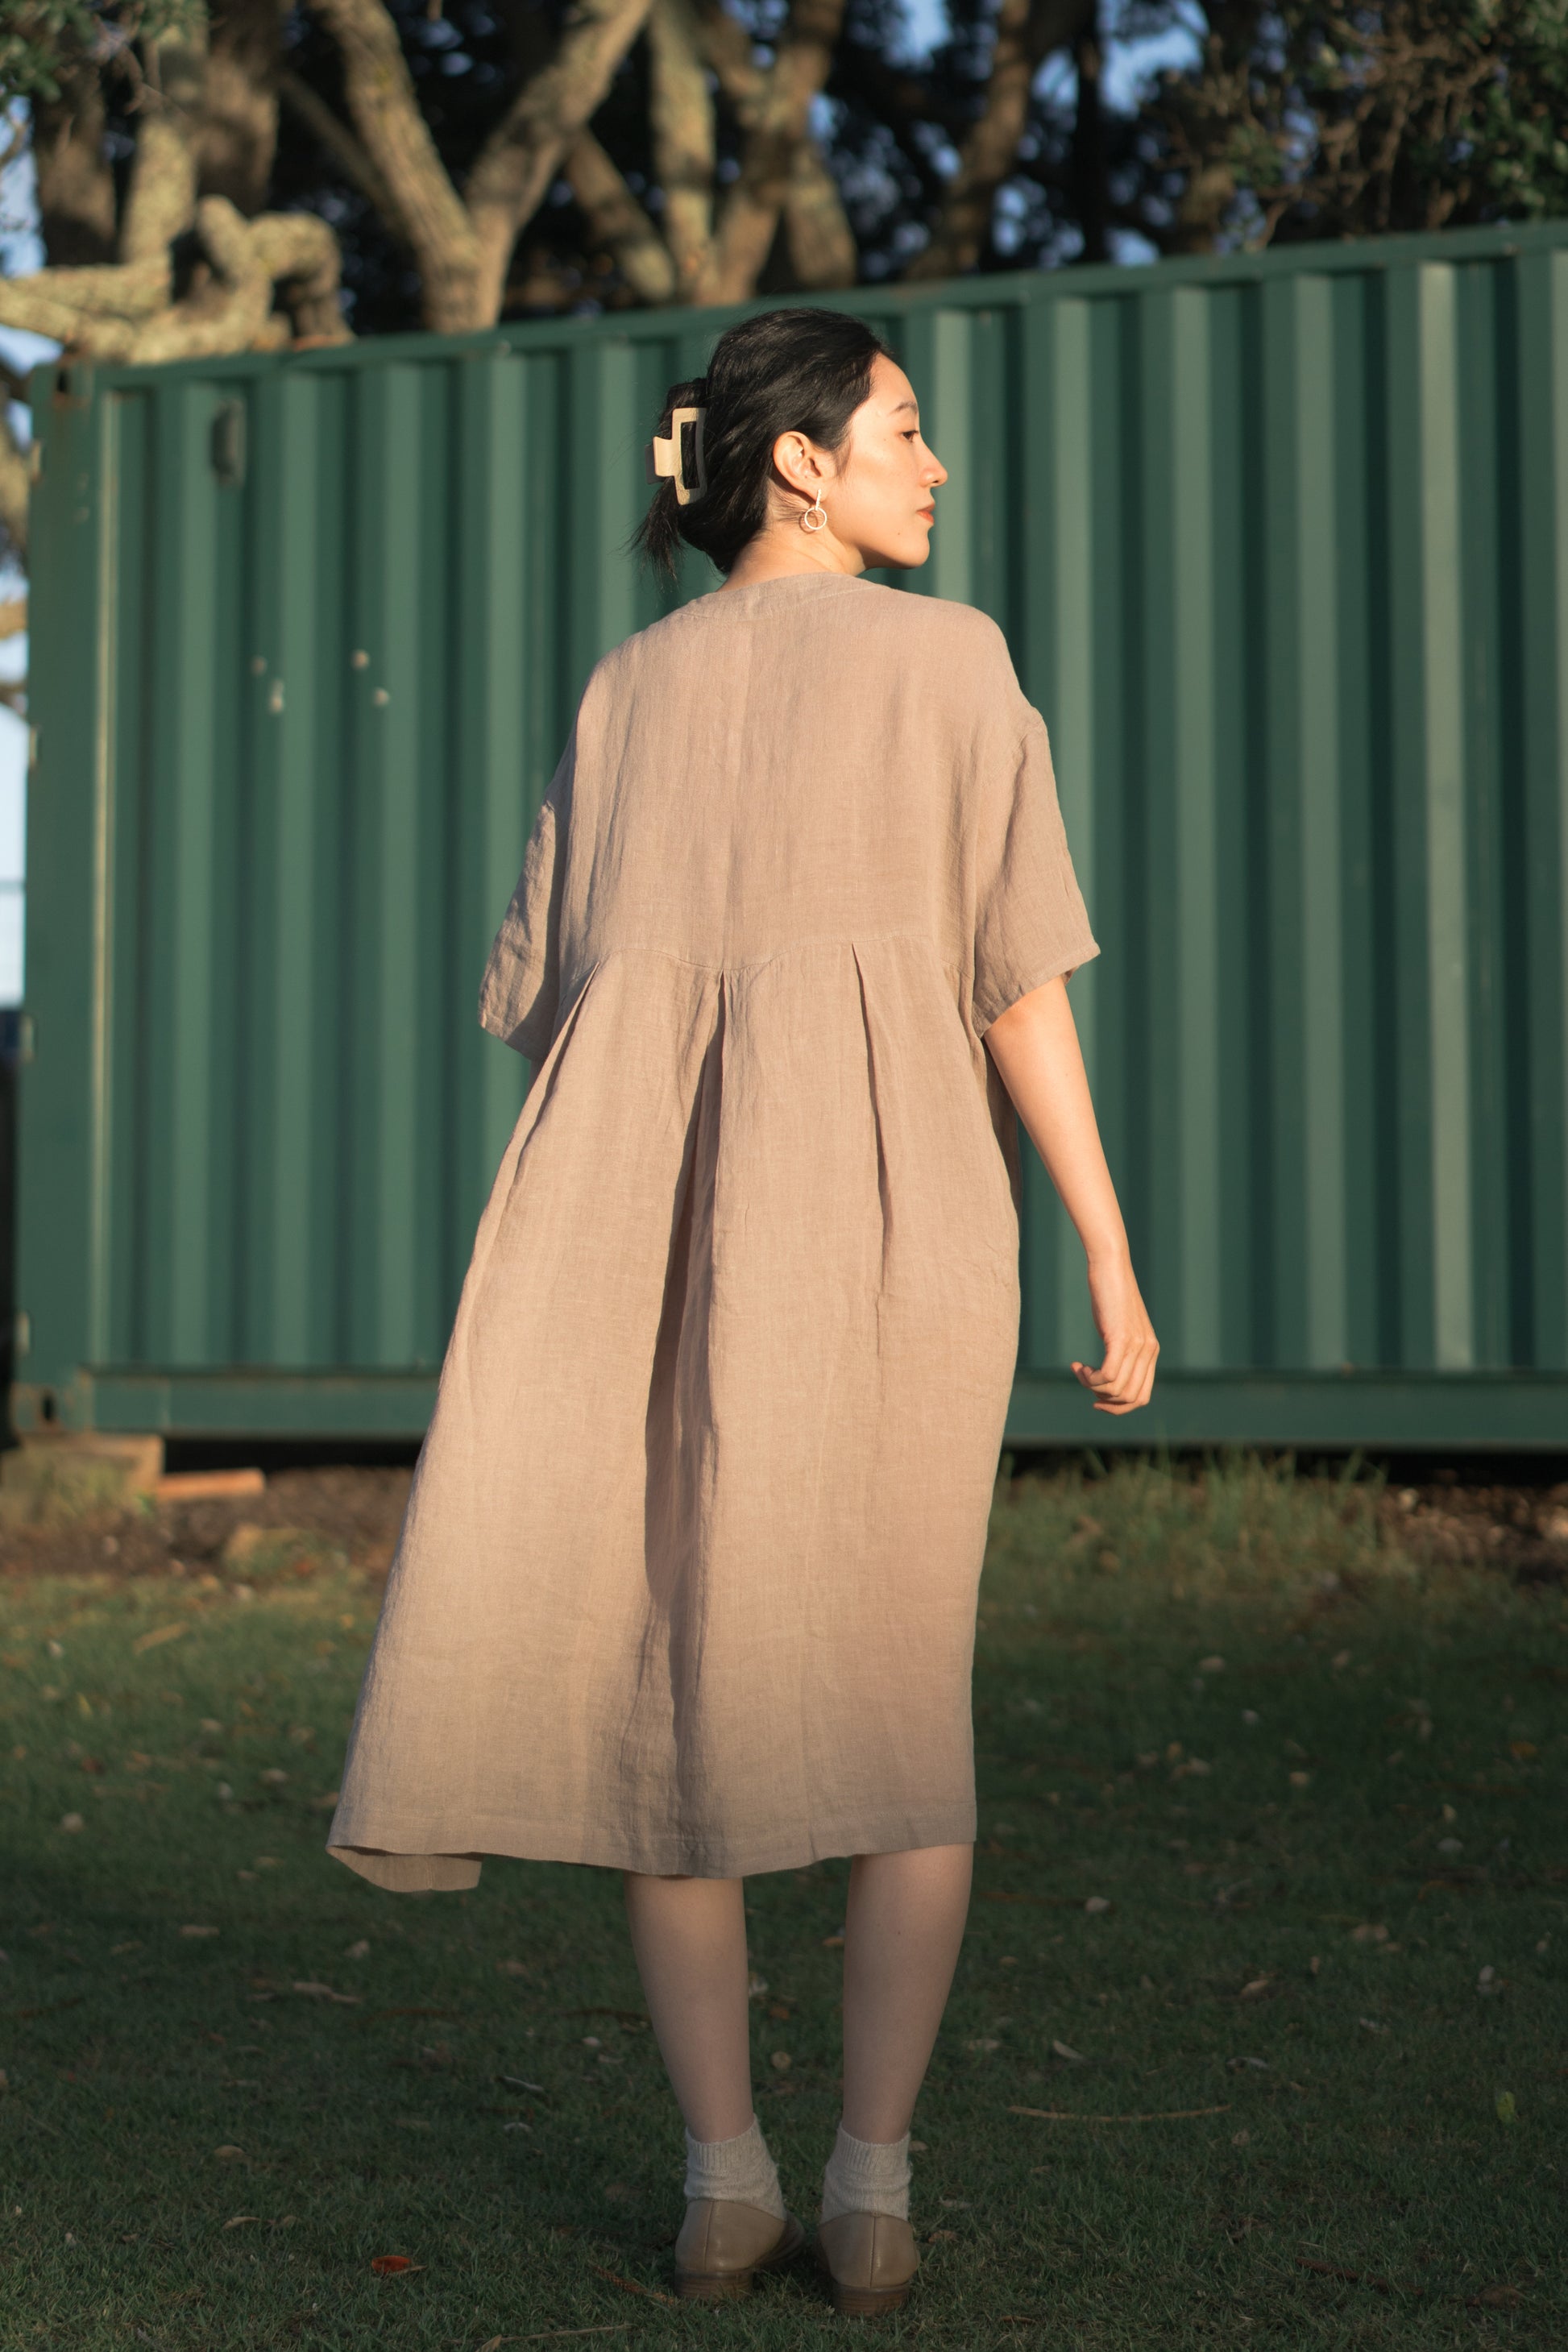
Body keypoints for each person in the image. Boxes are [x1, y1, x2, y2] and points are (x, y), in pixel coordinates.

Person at [326, 306, 1157, 2316]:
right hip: (888, 1229)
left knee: (665, 1688)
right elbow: (1012, 985)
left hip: (632, 1231)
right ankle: (866, 2186)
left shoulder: (625, 688)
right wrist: (1111, 1251)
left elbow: (553, 1010)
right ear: (799, 460)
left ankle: (724, 2177)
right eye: (903, 428)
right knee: (895, 1700)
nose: (933, 469)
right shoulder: (952, 660)